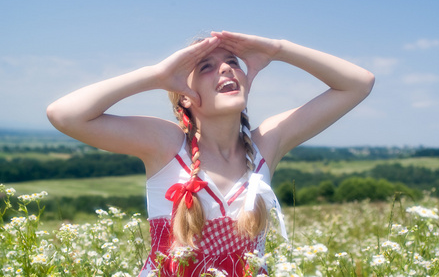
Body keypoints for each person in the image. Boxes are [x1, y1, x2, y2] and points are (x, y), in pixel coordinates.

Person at [47, 31, 374, 276]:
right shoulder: (167, 144)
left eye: (233, 62)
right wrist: (158, 75)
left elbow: (359, 83)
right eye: (206, 67)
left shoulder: (267, 144)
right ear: (185, 98)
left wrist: (277, 49)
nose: (227, 70)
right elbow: (64, 114)